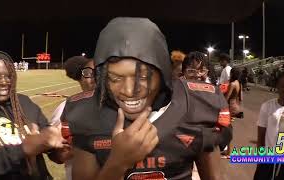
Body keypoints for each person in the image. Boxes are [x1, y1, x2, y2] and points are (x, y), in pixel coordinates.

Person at [63, 17, 230, 180]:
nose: (129, 90)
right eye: (115, 78)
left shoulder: (197, 105)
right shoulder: (85, 113)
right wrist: (118, 163)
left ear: (163, 73)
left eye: (142, 77)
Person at [0, 50, 66, 180]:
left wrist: (59, 153)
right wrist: (24, 148)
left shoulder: (25, 103)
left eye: (9, 76)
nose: (4, 82)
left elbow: (48, 145)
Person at [50, 56, 95, 180]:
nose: (94, 78)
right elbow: (55, 155)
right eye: (88, 74)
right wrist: (60, 152)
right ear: (79, 78)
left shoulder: (121, 107)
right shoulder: (65, 108)